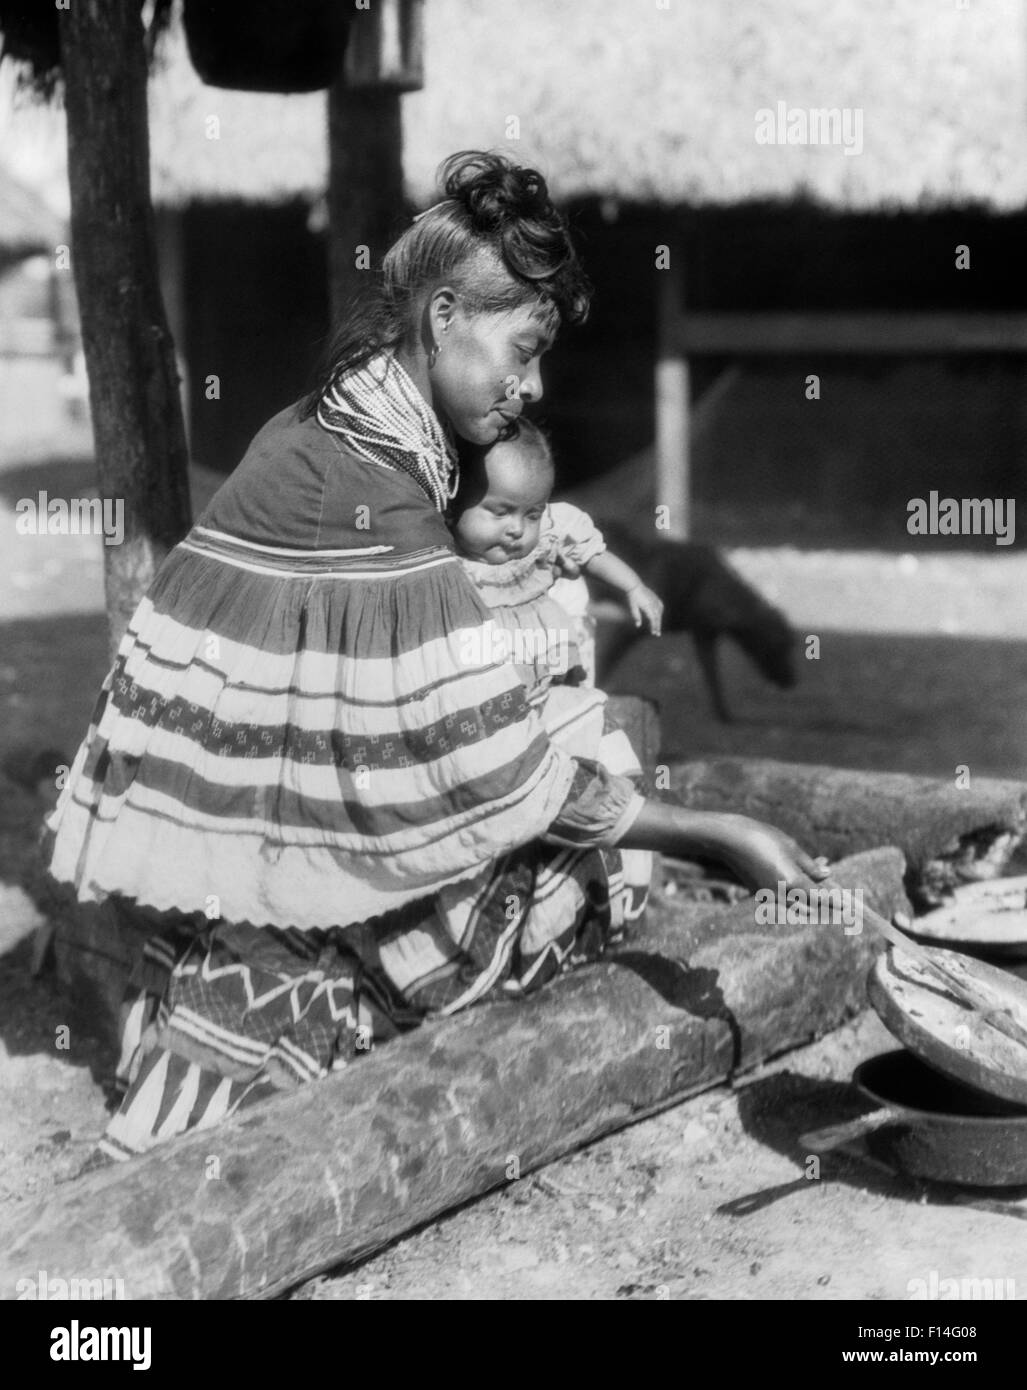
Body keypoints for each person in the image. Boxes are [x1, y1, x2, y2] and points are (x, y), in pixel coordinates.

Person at [43, 150, 827, 1163]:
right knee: (584, 814)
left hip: (277, 807)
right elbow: (491, 763)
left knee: (614, 737)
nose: (532, 384)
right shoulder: (371, 491)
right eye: (524, 349)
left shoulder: (351, 427)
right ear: (445, 315)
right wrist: (718, 834)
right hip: (281, 843)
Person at [448, 416, 662, 694]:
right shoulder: (441, 551)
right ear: (455, 501)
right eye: (500, 512)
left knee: (566, 698)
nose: (517, 528)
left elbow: (592, 553)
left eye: (532, 514)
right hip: (481, 669)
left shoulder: (551, 530)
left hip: (544, 658)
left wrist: (633, 586)